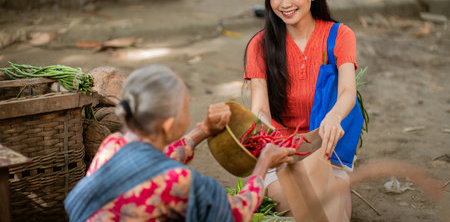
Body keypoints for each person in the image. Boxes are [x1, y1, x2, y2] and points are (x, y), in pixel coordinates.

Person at [65, 64, 296, 222]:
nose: (189, 113)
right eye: (185, 109)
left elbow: (157, 165)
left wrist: (202, 131)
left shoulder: (112, 146)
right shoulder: (178, 180)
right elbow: (237, 213)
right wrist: (263, 164)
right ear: (167, 125)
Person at [244, 0, 358, 219]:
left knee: (337, 211)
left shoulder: (340, 35)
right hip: (282, 150)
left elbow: (347, 92)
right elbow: (259, 109)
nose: (284, 3)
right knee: (300, 204)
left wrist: (334, 116)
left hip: (328, 146)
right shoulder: (260, 45)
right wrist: (273, 141)